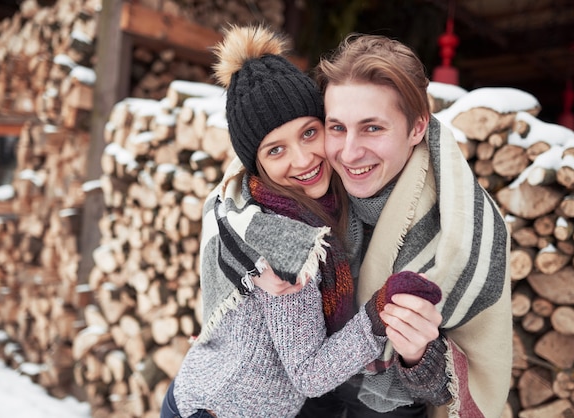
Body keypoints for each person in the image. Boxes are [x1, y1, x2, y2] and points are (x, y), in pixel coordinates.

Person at [159, 25, 443, 418]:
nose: (303, 159)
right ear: (256, 164)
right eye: (276, 150)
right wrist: (380, 310)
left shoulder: (282, 206)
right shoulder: (286, 245)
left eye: (310, 132)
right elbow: (310, 374)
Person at [293, 34, 513, 418]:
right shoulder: (301, 189)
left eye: (373, 128)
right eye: (337, 127)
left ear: (416, 128)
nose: (349, 152)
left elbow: (447, 392)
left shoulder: (464, 227)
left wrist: (417, 356)